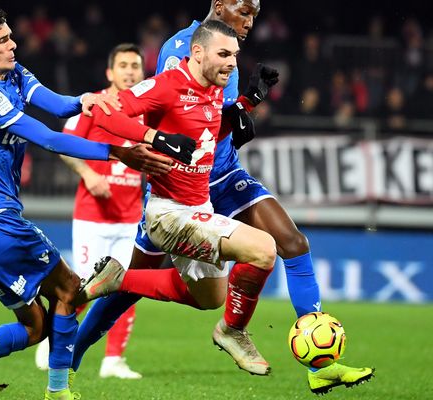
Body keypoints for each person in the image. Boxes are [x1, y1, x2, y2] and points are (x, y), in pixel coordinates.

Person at [75, 0, 374, 394]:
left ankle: (316, 363)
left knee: (293, 244)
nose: (251, 22)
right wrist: (154, 143)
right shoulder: (182, 52)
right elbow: (174, 116)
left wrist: (248, 104)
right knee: (132, 288)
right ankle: (72, 353)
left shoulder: (224, 52)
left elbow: (213, 118)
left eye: (255, 14)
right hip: (178, 188)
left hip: (224, 174)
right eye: (244, 11)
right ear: (220, 6)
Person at [0, 10, 188, 400]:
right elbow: (48, 138)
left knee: (34, 327)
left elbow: (58, 107)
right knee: (70, 291)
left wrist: (86, 100)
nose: (13, 44)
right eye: (2, 41)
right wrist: (118, 153)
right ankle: (59, 391)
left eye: (11, 36)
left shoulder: (13, 73)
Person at [73, 18, 277, 380]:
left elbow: (207, 127)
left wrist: (248, 103)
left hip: (198, 208)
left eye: (235, 55)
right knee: (263, 249)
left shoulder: (214, 88)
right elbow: (107, 114)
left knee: (210, 299)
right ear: (197, 53)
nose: (232, 63)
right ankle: (233, 332)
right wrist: (154, 137)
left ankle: (119, 281)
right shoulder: (167, 85)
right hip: (168, 213)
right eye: (224, 54)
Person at [35, 43, 146, 379]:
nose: (130, 71)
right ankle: (53, 338)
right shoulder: (95, 105)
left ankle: (113, 360)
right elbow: (64, 147)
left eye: (135, 65)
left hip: (130, 219)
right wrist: (89, 174)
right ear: (110, 72)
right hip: (92, 217)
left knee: (127, 288)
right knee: (81, 287)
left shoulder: (147, 109)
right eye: (123, 65)